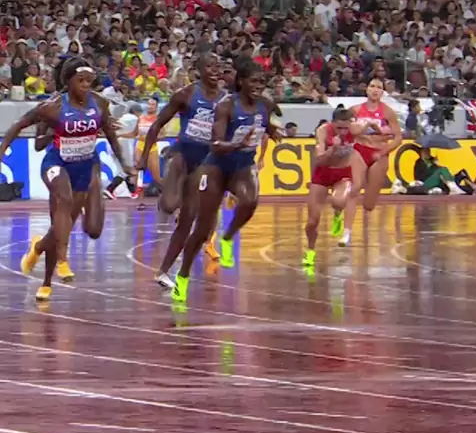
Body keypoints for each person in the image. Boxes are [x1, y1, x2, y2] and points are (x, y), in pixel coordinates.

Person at [0, 57, 132, 302]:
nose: (86, 85)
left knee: (75, 226)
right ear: (69, 80)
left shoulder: (98, 103)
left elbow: (111, 133)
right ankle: (54, 272)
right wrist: (54, 131)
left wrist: (124, 164)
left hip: (85, 165)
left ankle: (38, 247)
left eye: (89, 80)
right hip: (58, 163)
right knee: (63, 203)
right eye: (81, 80)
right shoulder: (52, 108)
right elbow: (34, 141)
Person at [171, 57, 282, 303]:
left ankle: (228, 236)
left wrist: (272, 129)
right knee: (202, 230)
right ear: (241, 82)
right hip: (217, 167)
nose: (258, 86)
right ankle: (183, 276)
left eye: (262, 82)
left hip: (243, 166)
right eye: (254, 81)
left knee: (250, 201)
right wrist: (236, 144)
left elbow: (265, 121)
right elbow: (215, 144)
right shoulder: (226, 106)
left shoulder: (265, 104)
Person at [137, 53, 225, 288]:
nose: (215, 71)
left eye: (218, 66)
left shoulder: (226, 101)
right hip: (182, 155)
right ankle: (167, 197)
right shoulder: (186, 95)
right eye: (210, 66)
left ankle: (163, 272)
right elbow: (157, 125)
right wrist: (144, 157)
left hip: (204, 164)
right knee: (169, 205)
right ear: (199, 70)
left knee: (187, 222)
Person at [303, 107, 364, 264]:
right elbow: (319, 159)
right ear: (332, 123)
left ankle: (337, 213)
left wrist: (379, 128)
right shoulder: (323, 131)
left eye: (346, 128)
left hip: (342, 173)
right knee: (312, 222)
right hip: (322, 173)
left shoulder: (355, 128)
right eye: (339, 128)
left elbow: (371, 125)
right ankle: (310, 251)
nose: (343, 132)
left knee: (339, 201)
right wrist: (333, 149)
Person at [351, 77, 403, 228]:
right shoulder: (355, 110)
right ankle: (344, 220)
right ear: (366, 89)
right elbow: (345, 130)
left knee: (369, 204)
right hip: (360, 150)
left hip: (378, 153)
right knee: (354, 187)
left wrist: (384, 151)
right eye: (372, 86)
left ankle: (367, 226)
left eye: (379, 88)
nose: (375, 90)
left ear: (382, 92)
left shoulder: (388, 112)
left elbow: (398, 137)